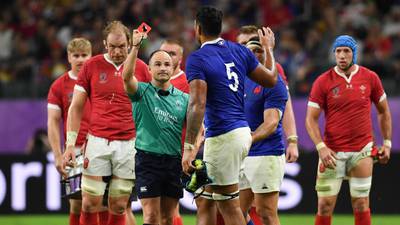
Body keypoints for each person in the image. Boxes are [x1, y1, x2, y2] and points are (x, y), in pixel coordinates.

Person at [182, 6, 278, 225]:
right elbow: (271, 78)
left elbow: (197, 104)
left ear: (197, 29)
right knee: (206, 198)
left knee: (228, 205)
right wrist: (268, 49)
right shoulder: (239, 50)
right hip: (241, 132)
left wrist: (189, 148)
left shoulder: (197, 59)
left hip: (223, 136)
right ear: (221, 27)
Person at [64, 21, 151, 225]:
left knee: (119, 206)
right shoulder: (91, 66)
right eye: (112, 46)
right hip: (97, 142)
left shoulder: (141, 68)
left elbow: (152, 106)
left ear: (130, 43)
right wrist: (70, 144)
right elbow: (76, 106)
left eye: (121, 46)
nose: (117, 51)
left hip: (129, 144)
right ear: (105, 44)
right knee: (88, 203)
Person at [305, 35, 392, 225]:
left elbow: (384, 111)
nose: (342, 56)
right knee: (325, 205)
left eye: (346, 51)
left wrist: (387, 142)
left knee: (361, 204)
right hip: (332, 152)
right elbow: (310, 119)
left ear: (354, 54)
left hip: (362, 150)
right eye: (338, 51)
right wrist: (321, 147)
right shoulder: (323, 81)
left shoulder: (370, 78)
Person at [122, 30, 189, 225]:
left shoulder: (184, 99)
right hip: (147, 161)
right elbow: (126, 78)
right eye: (157, 64)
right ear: (149, 69)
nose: (162, 68)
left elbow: (198, 128)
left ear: (173, 67)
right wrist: (134, 47)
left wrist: (191, 152)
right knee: (151, 216)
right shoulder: (141, 91)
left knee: (169, 218)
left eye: (167, 64)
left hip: (173, 162)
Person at [235, 24, 299, 225]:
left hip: (264, 150)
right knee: (236, 210)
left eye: (254, 46)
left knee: (265, 211)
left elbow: (282, 110)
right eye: (243, 45)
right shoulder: (235, 76)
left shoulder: (273, 73)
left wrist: (292, 139)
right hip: (240, 153)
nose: (249, 50)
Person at [47, 37, 93, 225]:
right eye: (76, 55)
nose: (81, 59)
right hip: (74, 151)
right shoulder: (59, 85)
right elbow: (52, 122)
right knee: (77, 203)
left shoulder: (98, 80)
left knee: (102, 202)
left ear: (91, 56)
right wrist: (58, 155)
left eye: (84, 55)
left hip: (100, 147)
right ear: (69, 57)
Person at [159, 39, 189, 225]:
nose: (167, 57)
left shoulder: (188, 82)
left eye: (172, 54)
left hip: (176, 153)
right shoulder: (151, 79)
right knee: (155, 210)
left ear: (181, 57)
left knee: (169, 208)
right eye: (164, 53)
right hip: (150, 152)